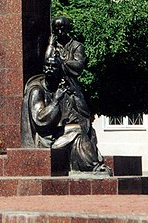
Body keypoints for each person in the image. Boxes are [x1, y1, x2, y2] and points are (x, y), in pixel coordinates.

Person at [21, 17, 110, 173]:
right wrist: (51, 44)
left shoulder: (76, 46)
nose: (60, 31)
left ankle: (88, 162)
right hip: (49, 124)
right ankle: (93, 165)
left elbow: (78, 66)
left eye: (62, 28)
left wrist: (60, 62)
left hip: (69, 88)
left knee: (86, 128)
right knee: (78, 131)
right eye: (56, 28)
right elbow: (47, 60)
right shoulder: (37, 89)